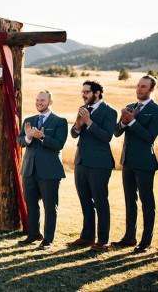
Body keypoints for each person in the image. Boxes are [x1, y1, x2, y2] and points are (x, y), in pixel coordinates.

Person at [67, 80, 117, 252]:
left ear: (97, 93)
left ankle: (103, 240)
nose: (83, 95)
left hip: (99, 163)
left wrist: (88, 122)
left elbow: (106, 137)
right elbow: (74, 134)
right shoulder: (83, 109)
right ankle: (87, 236)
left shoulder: (110, 111)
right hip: (81, 161)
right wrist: (78, 126)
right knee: (85, 200)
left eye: (87, 92)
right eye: (83, 92)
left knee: (100, 201)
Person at [112, 75, 158, 253]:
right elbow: (116, 133)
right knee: (130, 200)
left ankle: (145, 242)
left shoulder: (155, 110)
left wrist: (132, 121)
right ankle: (129, 237)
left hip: (145, 162)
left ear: (152, 89)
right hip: (128, 161)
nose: (139, 89)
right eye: (138, 86)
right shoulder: (130, 107)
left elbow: (149, 137)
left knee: (147, 202)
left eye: (144, 87)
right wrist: (124, 122)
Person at [16, 91, 67, 250]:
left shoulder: (59, 121)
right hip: (29, 170)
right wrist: (29, 137)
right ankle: (33, 233)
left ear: (50, 101)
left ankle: (48, 239)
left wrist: (42, 137)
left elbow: (59, 144)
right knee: (31, 204)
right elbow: (20, 141)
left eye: (43, 100)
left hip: (49, 171)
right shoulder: (29, 120)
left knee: (50, 206)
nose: (39, 103)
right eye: (37, 100)